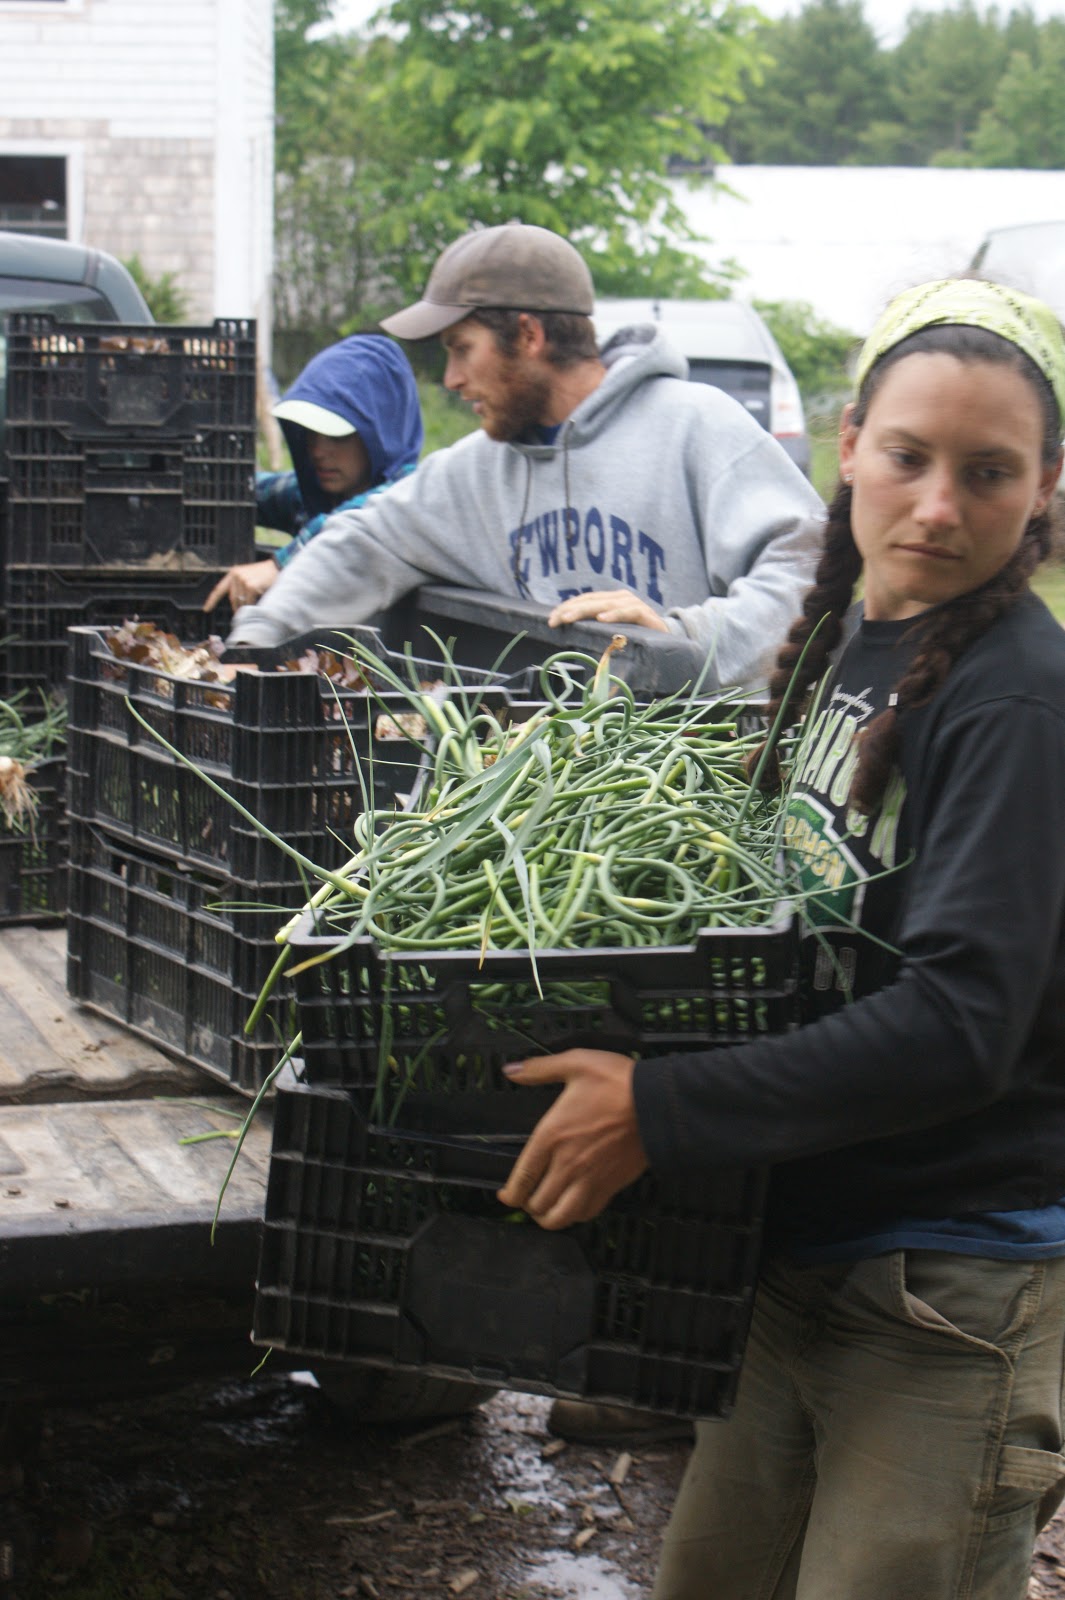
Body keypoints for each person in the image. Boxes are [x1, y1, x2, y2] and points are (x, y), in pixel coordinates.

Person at [495, 277, 1065, 1598]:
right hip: (803, 1242)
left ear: (1045, 486)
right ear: (849, 445)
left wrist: (661, 1108)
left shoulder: (1014, 704)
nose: (938, 505)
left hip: (945, 1288)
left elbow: (961, 1026)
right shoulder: (855, 639)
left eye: (988, 472)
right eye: (910, 457)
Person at [224, 222, 825, 695]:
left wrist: (686, 636)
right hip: (543, 786)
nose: (452, 379)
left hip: (692, 784)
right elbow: (363, 540)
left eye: (462, 349)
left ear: (529, 335)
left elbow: (810, 571)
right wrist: (258, 641)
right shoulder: (475, 471)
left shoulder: (697, 425)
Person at [204, 333, 423, 613]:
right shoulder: (317, 493)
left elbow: (361, 521)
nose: (318, 451)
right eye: (310, 433)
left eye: (336, 436)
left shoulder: (410, 495)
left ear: (381, 432)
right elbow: (248, 491)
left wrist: (280, 565)